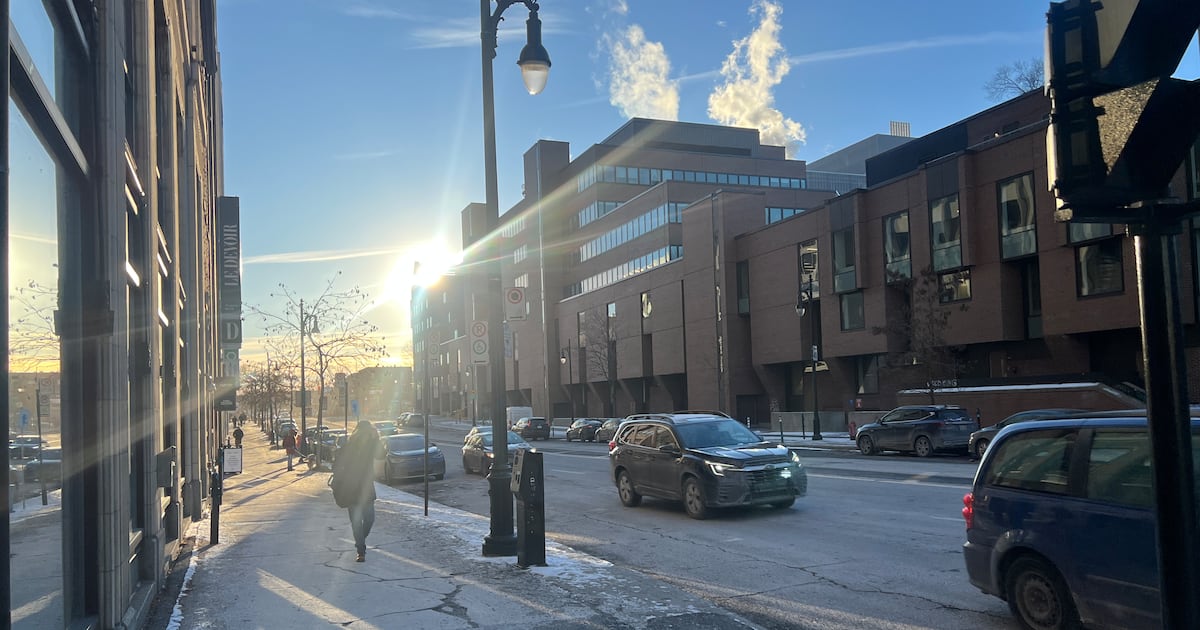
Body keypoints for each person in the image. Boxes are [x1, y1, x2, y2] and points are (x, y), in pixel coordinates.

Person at [335, 420, 380, 562]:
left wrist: (376, 438)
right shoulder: (348, 447)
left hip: (366, 489)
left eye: (368, 433)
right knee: (356, 523)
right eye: (364, 433)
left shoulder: (371, 446)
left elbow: (381, 455)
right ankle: (361, 551)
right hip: (351, 490)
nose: (365, 436)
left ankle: (359, 540)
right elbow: (337, 464)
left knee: (369, 520)